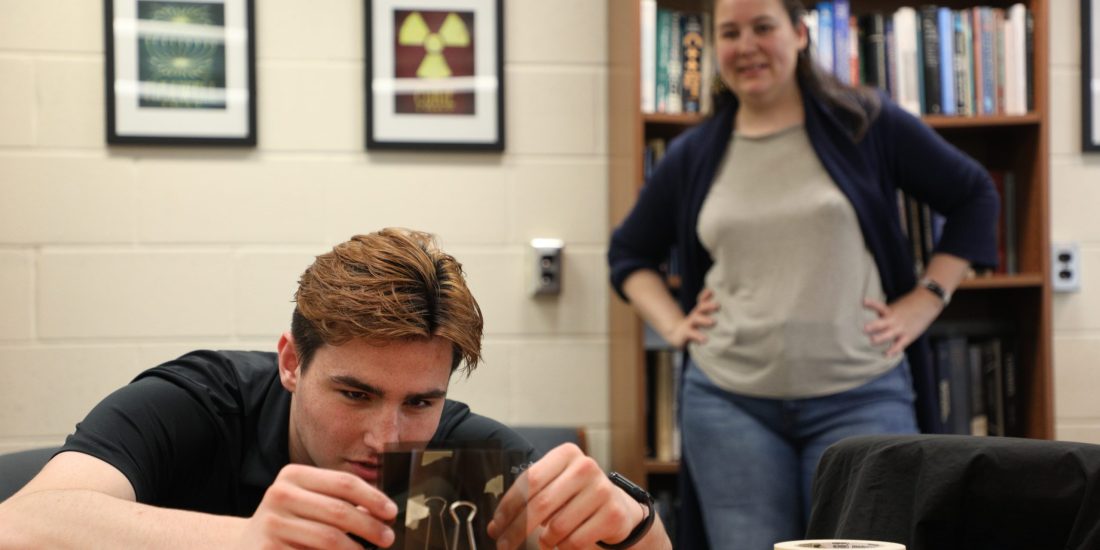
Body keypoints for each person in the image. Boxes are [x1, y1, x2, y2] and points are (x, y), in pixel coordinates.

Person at [0, 228, 671, 550]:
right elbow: (21, 523)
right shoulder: (201, 402)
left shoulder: (455, 456)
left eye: (420, 402)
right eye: (354, 394)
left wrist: (635, 524)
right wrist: (251, 541)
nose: (389, 437)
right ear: (291, 362)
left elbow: (621, 537)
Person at [608, 0, 999, 548]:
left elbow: (974, 196)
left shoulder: (867, 123)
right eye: (730, 32)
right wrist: (675, 327)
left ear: (799, 33)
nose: (747, 46)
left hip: (863, 396)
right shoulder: (695, 153)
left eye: (763, 27)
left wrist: (927, 298)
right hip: (728, 404)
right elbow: (628, 254)